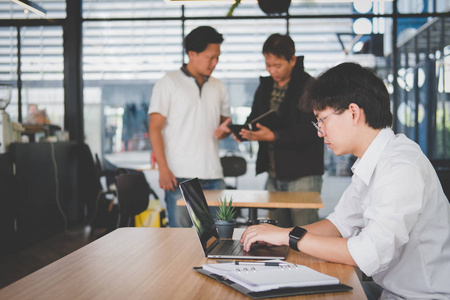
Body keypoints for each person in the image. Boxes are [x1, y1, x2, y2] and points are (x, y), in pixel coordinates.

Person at [240, 62, 450, 299]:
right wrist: (279, 236)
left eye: (322, 120)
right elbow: (338, 225)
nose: (320, 132)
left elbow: (368, 254)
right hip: (390, 290)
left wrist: (288, 237)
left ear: (353, 112)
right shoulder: (373, 158)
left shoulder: (400, 167)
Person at [235, 33, 324, 227]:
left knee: (304, 230)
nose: (272, 71)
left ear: (292, 60)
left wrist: (273, 135)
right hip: (274, 172)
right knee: (276, 231)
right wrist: (247, 131)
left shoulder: (309, 85)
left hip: (303, 173)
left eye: (277, 65)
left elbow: (310, 129)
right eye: (268, 65)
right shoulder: (266, 86)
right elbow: (255, 117)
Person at [148, 26, 231, 228]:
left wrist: (224, 131)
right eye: (210, 57)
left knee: (221, 238)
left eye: (217, 57)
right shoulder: (168, 82)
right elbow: (154, 128)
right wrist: (163, 169)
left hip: (213, 175)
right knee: (179, 240)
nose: (214, 63)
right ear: (192, 54)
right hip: (178, 176)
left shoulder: (219, 86)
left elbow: (224, 125)